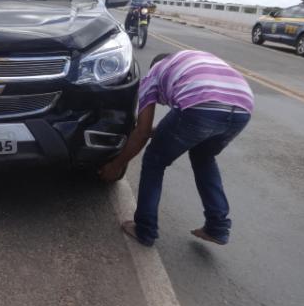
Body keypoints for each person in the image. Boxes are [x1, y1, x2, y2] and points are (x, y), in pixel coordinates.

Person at [99, 51, 254, 246]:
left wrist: (116, 165)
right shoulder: (193, 60)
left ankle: (145, 229)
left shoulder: (153, 74)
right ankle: (218, 227)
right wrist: (160, 132)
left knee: (154, 160)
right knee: (203, 158)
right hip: (243, 105)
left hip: (200, 102)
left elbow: (142, 132)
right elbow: (174, 130)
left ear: (156, 63)